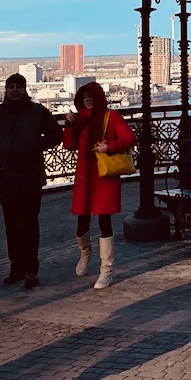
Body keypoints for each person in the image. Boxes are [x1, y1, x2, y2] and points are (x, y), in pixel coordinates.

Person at [0, 73, 62, 289]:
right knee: (12, 225)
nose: (14, 90)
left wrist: (36, 145)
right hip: (7, 177)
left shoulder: (37, 112)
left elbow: (56, 134)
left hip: (31, 176)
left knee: (30, 223)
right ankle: (16, 267)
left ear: (24, 89)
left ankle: (31, 269)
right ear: (6, 89)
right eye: (11, 86)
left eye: (18, 86)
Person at [63, 80, 134, 290]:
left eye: (92, 97)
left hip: (104, 177)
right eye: (85, 98)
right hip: (85, 176)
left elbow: (130, 138)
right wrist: (69, 125)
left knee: (105, 222)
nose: (88, 101)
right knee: (81, 223)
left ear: (99, 98)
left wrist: (109, 146)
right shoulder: (79, 119)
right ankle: (85, 254)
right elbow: (69, 145)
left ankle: (106, 269)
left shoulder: (111, 117)